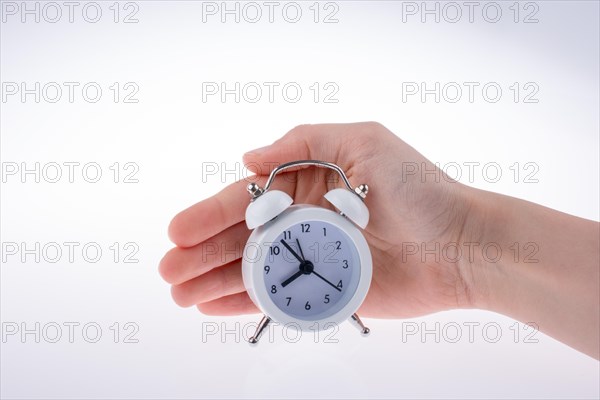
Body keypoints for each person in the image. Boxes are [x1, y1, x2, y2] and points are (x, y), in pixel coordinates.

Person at [159, 122, 599, 359]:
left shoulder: (349, 223)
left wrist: (461, 235)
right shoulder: (281, 222)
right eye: (295, 258)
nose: (306, 267)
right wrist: (465, 246)